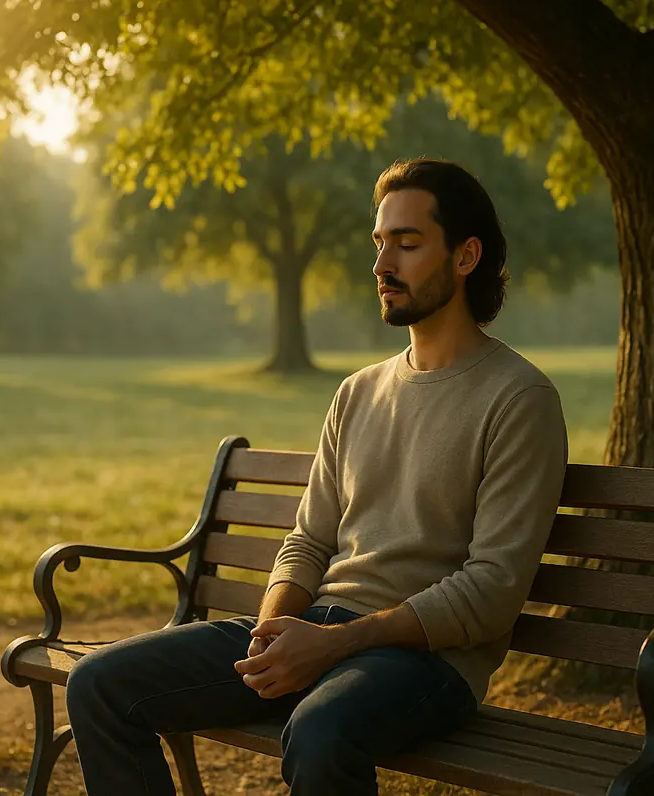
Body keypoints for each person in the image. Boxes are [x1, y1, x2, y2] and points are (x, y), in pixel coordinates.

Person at [65, 158, 569, 795]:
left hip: (424, 662)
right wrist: (273, 634)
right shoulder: (358, 392)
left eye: (407, 244)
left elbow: (492, 590)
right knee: (99, 684)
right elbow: (307, 541)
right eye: (379, 243)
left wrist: (334, 645)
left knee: (320, 731)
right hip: (316, 627)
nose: (382, 264)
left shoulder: (518, 399)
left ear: (466, 256)